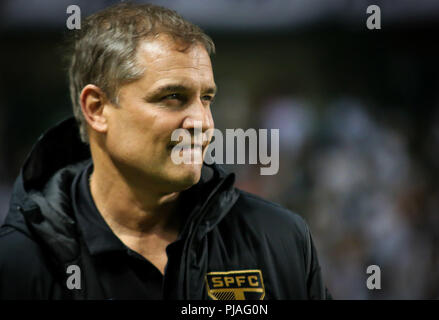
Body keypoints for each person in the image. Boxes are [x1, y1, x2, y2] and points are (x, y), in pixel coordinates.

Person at [0, 3, 331, 300]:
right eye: (172, 97)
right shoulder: (20, 263)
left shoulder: (280, 239)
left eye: (206, 98)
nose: (202, 122)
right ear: (97, 108)